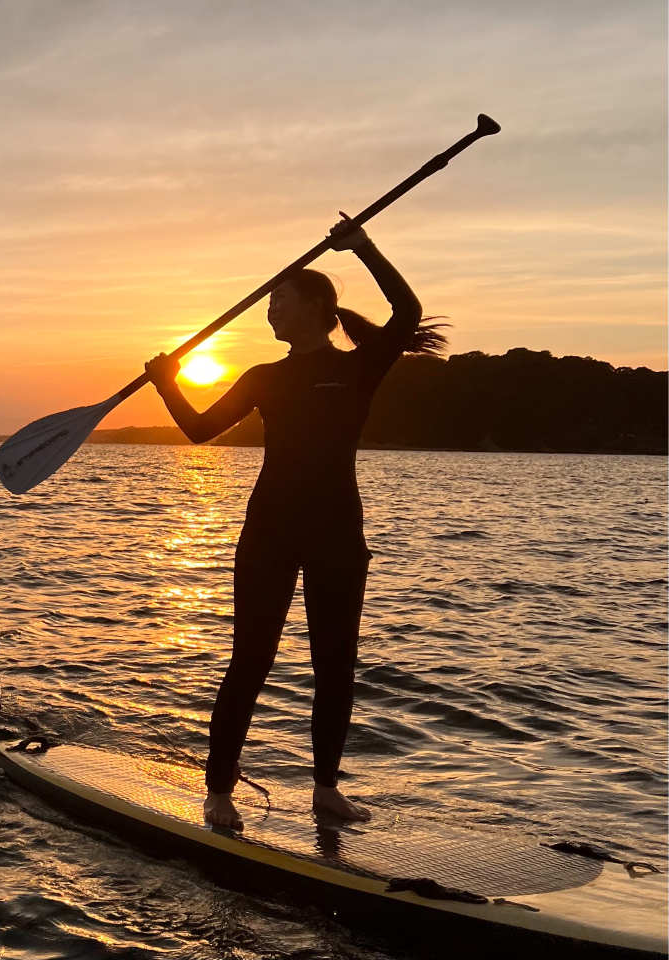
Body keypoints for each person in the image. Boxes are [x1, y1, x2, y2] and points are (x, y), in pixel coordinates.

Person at [144, 219, 445, 828]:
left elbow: (407, 311)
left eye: (280, 300)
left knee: (335, 665)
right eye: (270, 301)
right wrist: (168, 386)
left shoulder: (359, 368)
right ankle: (219, 792)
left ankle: (326, 789)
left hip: (337, 533)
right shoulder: (263, 376)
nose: (270, 311)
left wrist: (363, 248)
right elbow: (200, 430)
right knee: (249, 660)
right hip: (269, 534)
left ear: (316, 306)